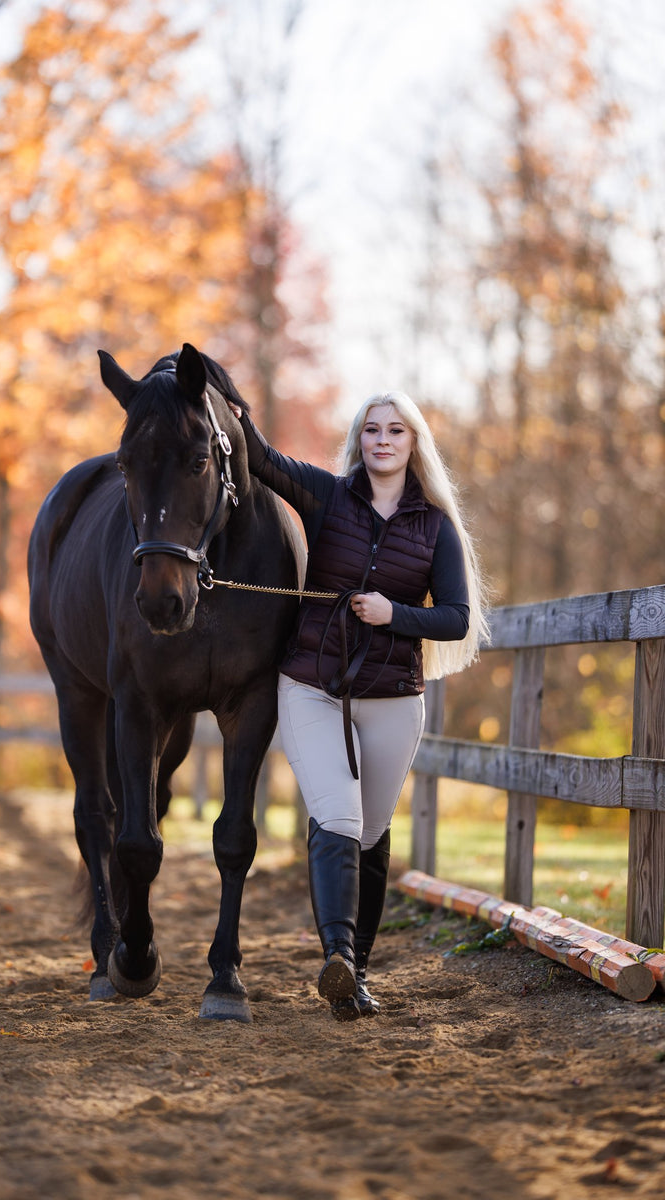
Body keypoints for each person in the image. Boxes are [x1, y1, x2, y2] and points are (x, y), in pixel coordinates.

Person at [225, 389, 489, 1021]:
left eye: (396, 431)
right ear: (359, 439)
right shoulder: (327, 496)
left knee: (370, 833)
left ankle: (357, 977)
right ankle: (336, 956)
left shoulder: (435, 528)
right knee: (338, 818)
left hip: (394, 697)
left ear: (413, 443)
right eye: (372, 430)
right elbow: (262, 461)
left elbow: (455, 619)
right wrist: (230, 405)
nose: (383, 440)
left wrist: (391, 613)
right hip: (314, 686)